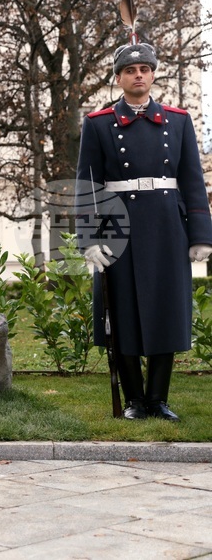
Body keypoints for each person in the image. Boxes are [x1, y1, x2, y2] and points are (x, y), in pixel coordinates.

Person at [77, 43, 212, 422]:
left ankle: (158, 400)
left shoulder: (178, 121)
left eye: (144, 69)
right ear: (118, 78)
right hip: (117, 229)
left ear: (152, 75)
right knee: (121, 313)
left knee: (166, 311)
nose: (138, 75)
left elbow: (193, 180)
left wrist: (201, 235)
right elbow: (87, 186)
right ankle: (135, 401)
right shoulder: (98, 123)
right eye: (130, 70)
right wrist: (88, 239)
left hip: (168, 228)